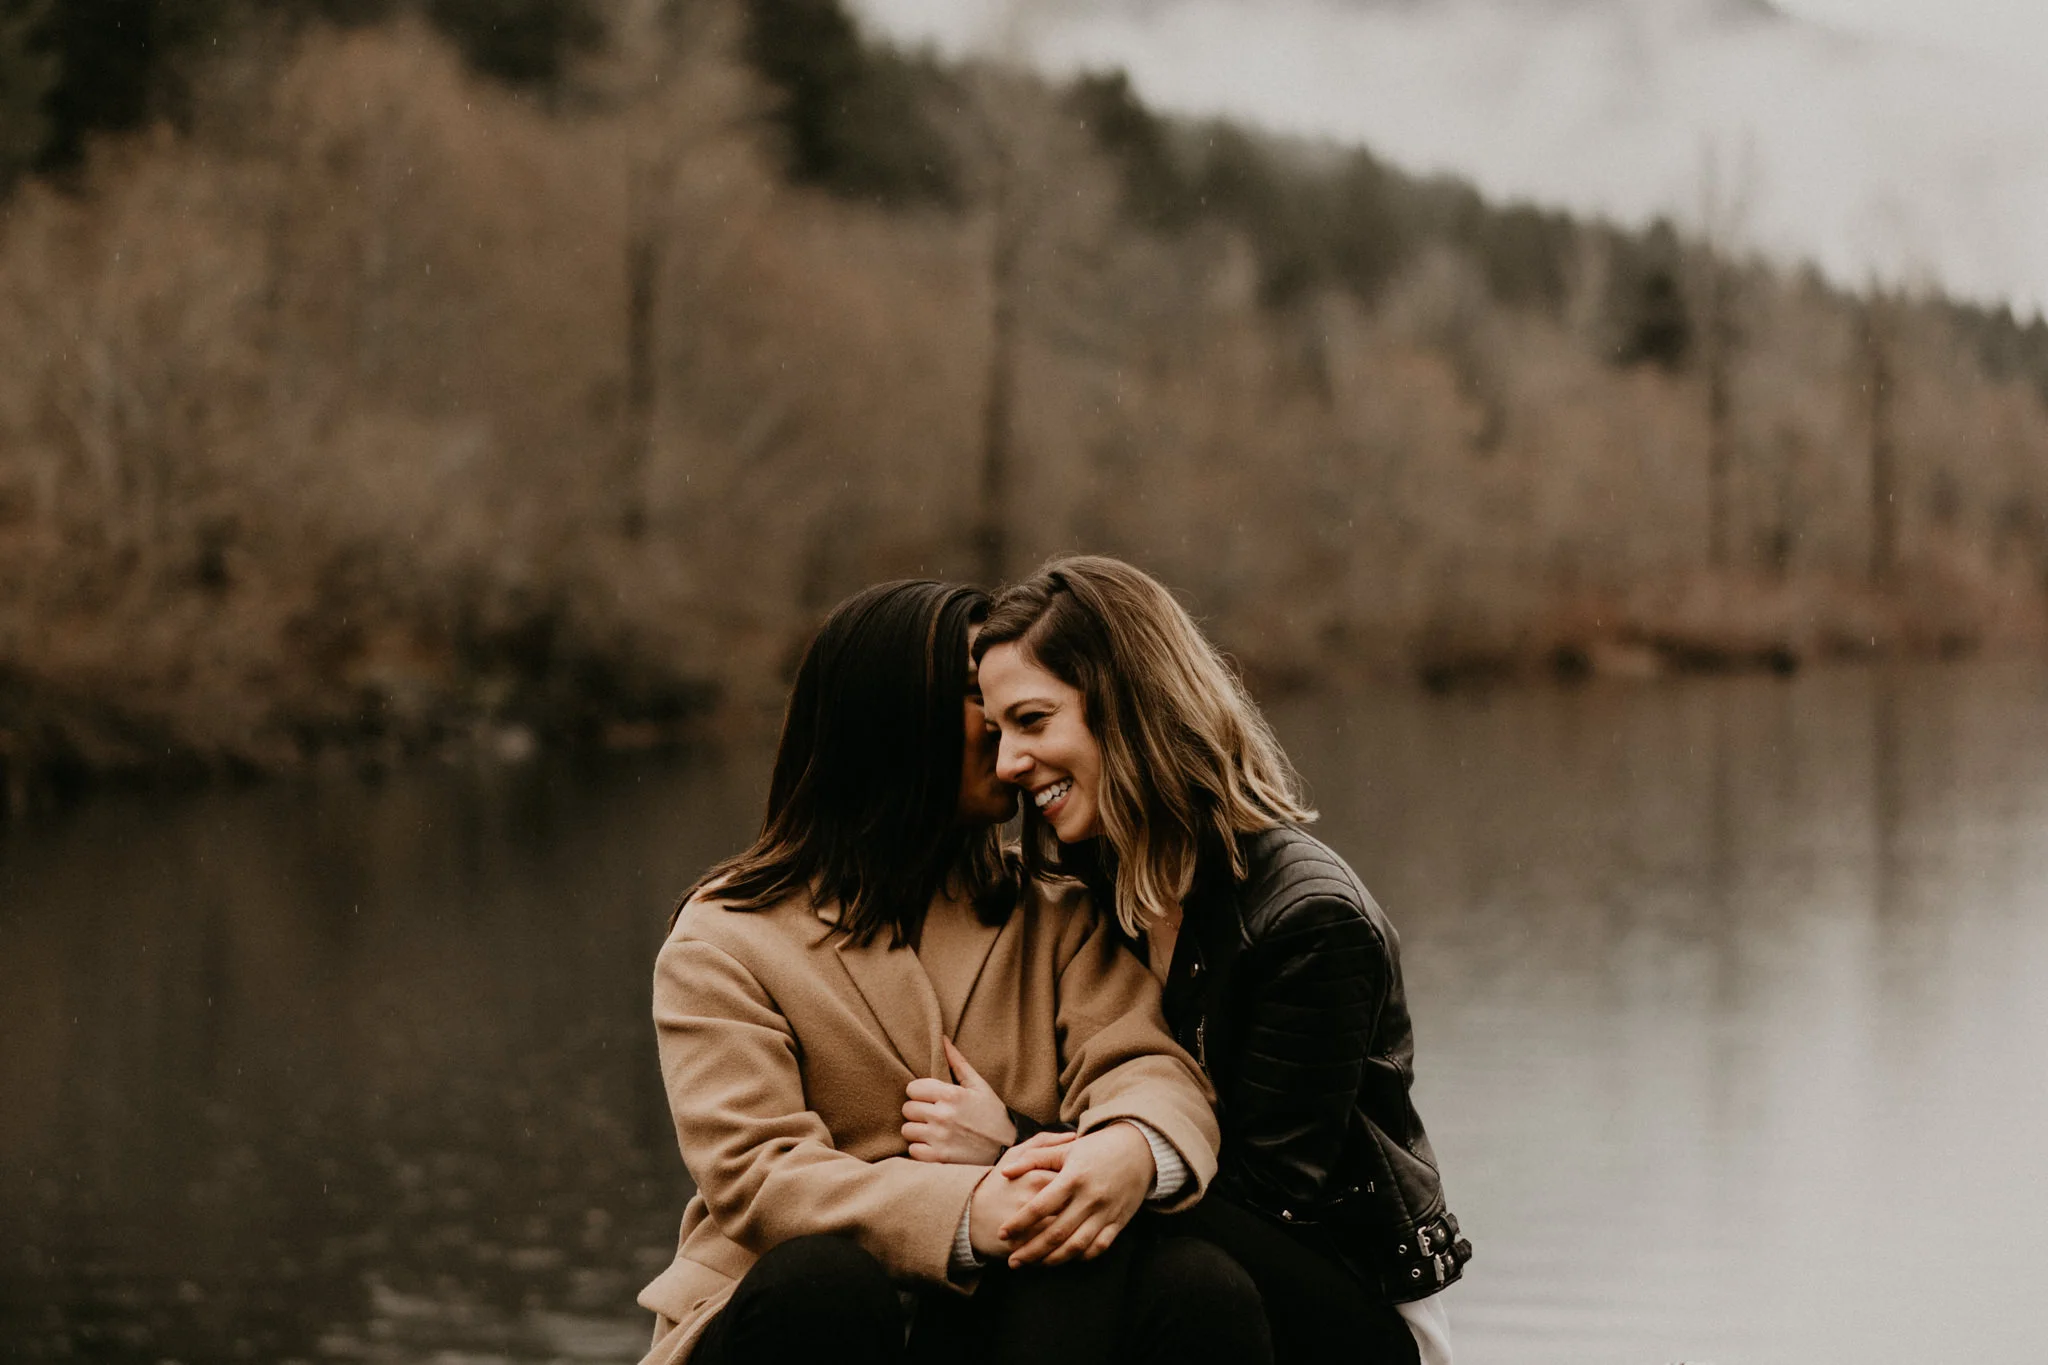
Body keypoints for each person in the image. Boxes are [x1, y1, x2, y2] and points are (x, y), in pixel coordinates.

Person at [636, 579, 1271, 1365]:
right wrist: (975, 1206)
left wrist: (1130, 1149)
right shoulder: (723, 938)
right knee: (825, 1283)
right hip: (792, 1317)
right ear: (898, 717)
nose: (1010, 740)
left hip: (1003, 1321)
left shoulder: (1057, 914)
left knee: (1193, 1283)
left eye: (1023, 714)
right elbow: (760, 1174)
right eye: (983, 702)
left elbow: (1144, 1065)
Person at [972, 556, 1471, 1365]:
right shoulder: (1091, 888)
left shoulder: (1309, 918)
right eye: (996, 733)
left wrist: (1013, 1146)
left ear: (1130, 706)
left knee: (1115, 1260)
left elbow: (1266, 1201)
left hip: (1345, 1302)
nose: (1007, 764)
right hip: (1194, 1277)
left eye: (1032, 720)